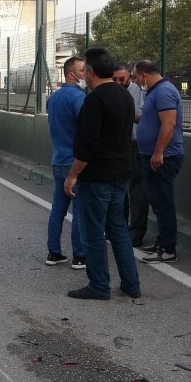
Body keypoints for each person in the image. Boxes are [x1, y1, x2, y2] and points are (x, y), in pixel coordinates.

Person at [64, 48, 141, 300]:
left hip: (98, 177)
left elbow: (87, 144)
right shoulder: (125, 96)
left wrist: (73, 175)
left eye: (85, 69)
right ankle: (131, 284)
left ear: (91, 72)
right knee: (117, 228)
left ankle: (99, 285)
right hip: (122, 173)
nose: (84, 73)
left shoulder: (95, 100)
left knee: (93, 231)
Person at [132, 60, 184, 264]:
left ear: (144, 75)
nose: (135, 81)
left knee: (164, 203)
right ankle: (162, 242)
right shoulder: (154, 92)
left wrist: (158, 152)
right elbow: (150, 121)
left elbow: (169, 124)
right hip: (152, 155)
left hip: (164, 157)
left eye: (136, 77)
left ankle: (168, 249)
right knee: (158, 202)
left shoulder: (163, 92)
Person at [45, 56, 88, 270]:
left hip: (58, 159)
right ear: (71, 74)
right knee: (79, 210)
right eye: (82, 70)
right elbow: (86, 128)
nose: (86, 74)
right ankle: (79, 255)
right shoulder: (79, 98)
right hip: (75, 162)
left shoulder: (52, 98)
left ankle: (53, 252)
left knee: (58, 209)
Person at [114, 63, 149, 248]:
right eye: (115, 79)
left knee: (138, 193)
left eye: (123, 79)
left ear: (129, 76)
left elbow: (146, 118)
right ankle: (119, 228)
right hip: (119, 147)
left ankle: (136, 232)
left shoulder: (139, 92)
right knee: (119, 191)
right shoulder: (111, 91)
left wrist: (128, 114)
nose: (119, 83)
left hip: (136, 147)